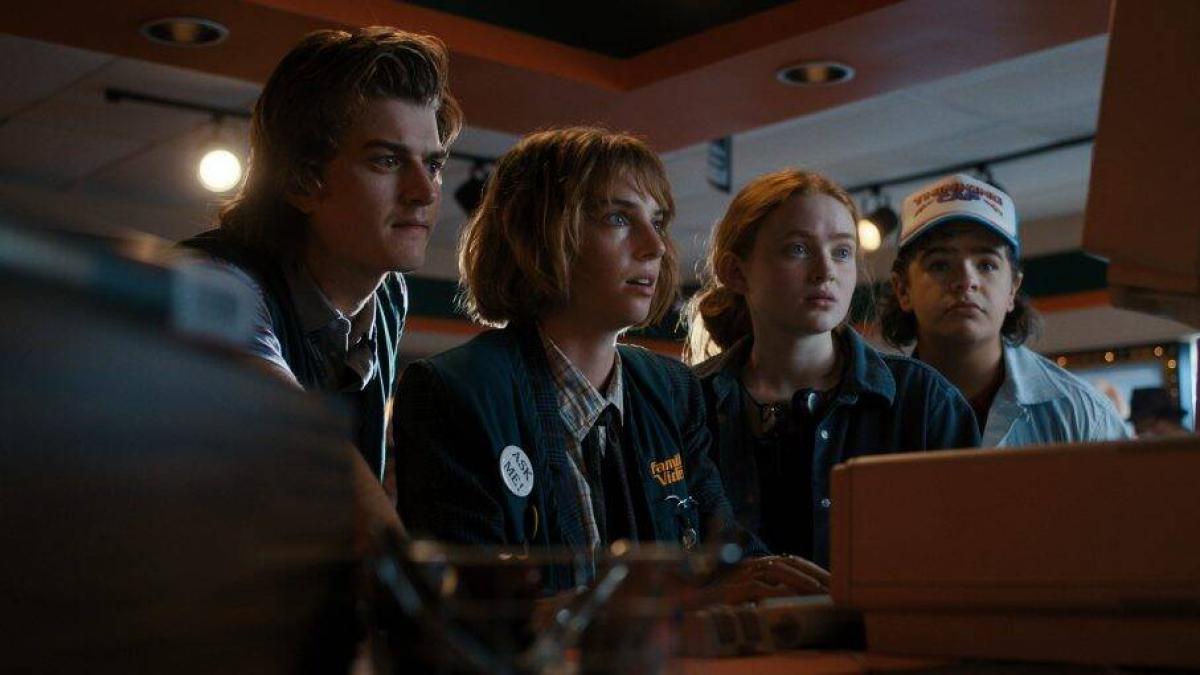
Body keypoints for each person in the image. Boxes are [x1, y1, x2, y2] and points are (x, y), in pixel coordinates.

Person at [395, 127, 827, 598]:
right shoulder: (453, 391)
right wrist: (687, 597)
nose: (654, 246)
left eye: (657, 221)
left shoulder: (672, 387)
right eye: (619, 218)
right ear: (537, 233)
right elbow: (471, 610)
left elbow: (724, 547)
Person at [180, 27, 463, 539]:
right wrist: (422, 579)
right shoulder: (217, 283)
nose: (424, 192)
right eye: (386, 160)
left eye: (434, 164)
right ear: (301, 180)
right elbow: (306, 448)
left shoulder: (387, 295)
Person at [686, 169, 979, 569]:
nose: (825, 272)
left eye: (842, 252)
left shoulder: (923, 400)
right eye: (797, 249)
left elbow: (970, 555)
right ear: (736, 272)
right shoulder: (686, 402)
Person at [880, 173, 1130, 447]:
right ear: (902, 289)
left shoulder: (1083, 413)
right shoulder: (870, 413)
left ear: (1012, 288)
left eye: (986, 265)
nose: (966, 280)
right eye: (939, 264)